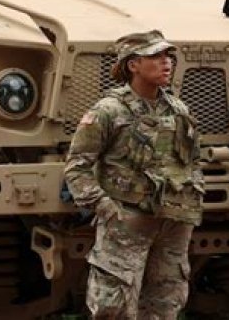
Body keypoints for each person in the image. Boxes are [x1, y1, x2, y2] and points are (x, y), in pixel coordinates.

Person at [64, 30, 204, 319]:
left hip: (173, 224)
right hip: (126, 221)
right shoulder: (108, 111)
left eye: (168, 56)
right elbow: (77, 167)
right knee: (113, 307)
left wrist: (191, 203)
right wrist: (105, 207)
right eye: (155, 56)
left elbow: (193, 162)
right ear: (133, 65)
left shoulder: (179, 110)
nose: (166, 62)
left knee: (165, 304)